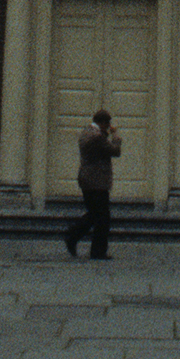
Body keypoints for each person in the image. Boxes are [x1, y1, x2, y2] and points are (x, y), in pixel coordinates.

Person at [66, 108, 119, 261]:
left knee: (95, 215)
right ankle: (92, 248)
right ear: (103, 123)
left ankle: (74, 236)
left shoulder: (87, 132)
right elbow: (115, 151)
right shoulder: (97, 137)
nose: (108, 127)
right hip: (97, 182)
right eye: (107, 125)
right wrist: (115, 135)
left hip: (88, 180)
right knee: (102, 217)